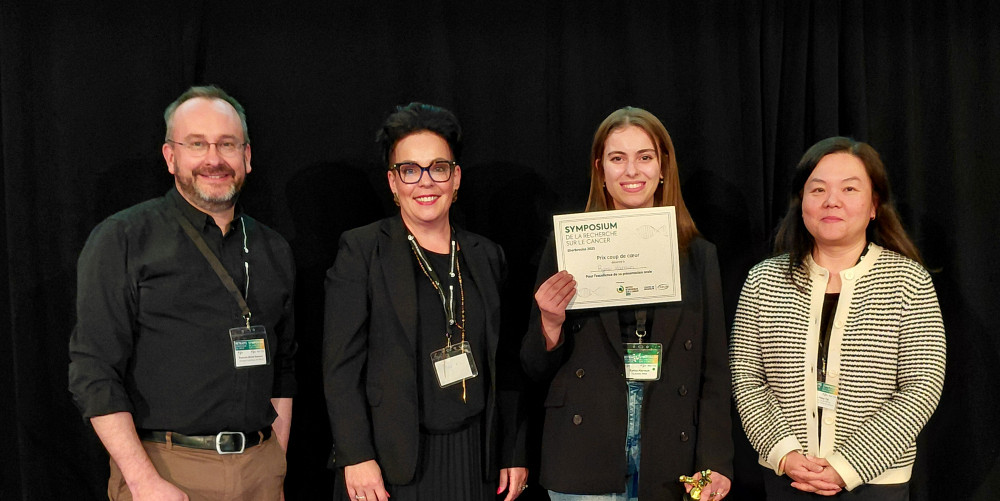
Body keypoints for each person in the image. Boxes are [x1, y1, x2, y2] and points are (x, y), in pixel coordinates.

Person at [68, 85, 296, 500]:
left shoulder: (273, 248)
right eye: (196, 144)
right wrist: (142, 481)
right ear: (170, 157)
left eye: (227, 144)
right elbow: (94, 371)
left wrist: (275, 462)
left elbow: (284, 366)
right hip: (165, 472)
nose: (214, 158)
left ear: (247, 156)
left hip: (260, 472)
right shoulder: (123, 238)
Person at [521, 107, 734, 500]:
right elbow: (533, 368)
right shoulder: (568, 246)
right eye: (618, 158)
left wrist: (716, 459)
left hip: (670, 450)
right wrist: (549, 323)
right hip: (584, 450)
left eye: (644, 157)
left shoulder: (699, 256)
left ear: (663, 166)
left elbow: (715, 369)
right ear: (600, 170)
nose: (632, 171)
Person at [323, 103, 528, 501]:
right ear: (393, 182)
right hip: (391, 462)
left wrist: (513, 450)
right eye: (410, 170)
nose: (425, 182)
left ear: (456, 177)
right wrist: (356, 454)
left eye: (438, 168)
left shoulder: (487, 255)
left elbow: (506, 364)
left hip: (476, 459)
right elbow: (340, 367)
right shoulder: (362, 250)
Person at [730, 137, 946, 500]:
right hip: (788, 477)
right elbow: (747, 377)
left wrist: (849, 465)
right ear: (801, 203)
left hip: (876, 482)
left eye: (849, 188)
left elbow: (921, 386)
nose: (832, 200)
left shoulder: (908, 281)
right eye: (818, 189)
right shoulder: (763, 281)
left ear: (874, 205)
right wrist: (784, 453)